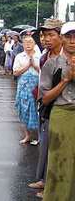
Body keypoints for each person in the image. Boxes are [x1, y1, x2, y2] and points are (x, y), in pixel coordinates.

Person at [39, 21, 75, 201]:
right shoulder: (51, 64)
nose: (73, 41)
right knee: (59, 162)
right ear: (62, 39)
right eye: (68, 37)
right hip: (61, 114)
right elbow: (44, 98)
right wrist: (65, 80)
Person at [27, 19, 63, 199]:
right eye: (44, 35)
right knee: (45, 144)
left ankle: (52, 186)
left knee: (57, 149)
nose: (46, 39)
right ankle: (43, 179)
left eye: (51, 35)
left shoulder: (66, 57)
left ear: (61, 36)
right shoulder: (45, 56)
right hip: (45, 105)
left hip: (60, 106)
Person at [13, 36, 40, 144]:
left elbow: (44, 71)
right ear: (23, 44)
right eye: (26, 42)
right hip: (23, 86)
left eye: (30, 42)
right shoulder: (19, 56)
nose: (28, 44)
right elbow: (15, 72)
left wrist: (34, 65)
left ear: (34, 44)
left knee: (37, 110)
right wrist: (28, 66)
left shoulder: (40, 56)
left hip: (36, 86)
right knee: (23, 110)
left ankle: (39, 137)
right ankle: (27, 135)